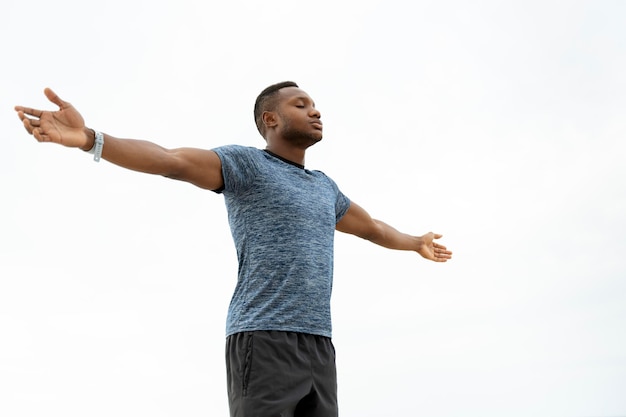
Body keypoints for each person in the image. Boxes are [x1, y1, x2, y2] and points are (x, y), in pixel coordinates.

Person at [15, 81, 452, 417]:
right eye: (300, 104)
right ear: (271, 119)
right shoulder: (245, 164)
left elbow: (371, 227)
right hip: (263, 338)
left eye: (315, 104)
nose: (315, 109)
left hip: (320, 345)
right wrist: (92, 138)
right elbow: (170, 159)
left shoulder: (325, 189)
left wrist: (415, 243)